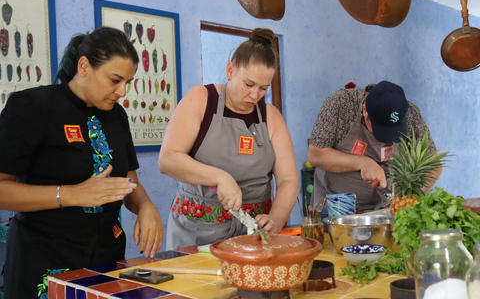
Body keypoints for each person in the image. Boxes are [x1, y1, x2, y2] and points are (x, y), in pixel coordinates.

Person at [0, 27, 163, 299]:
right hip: (45, 257)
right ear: (84, 66)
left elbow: (128, 180)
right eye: (114, 79)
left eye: (128, 82)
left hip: (106, 257)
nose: (122, 91)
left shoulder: (117, 116)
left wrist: (145, 205)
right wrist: (71, 194)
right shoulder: (31, 107)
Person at [158, 28, 299, 250]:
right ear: (230, 70)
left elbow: (288, 181)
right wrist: (219, 177)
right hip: (197, 234)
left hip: (251, 236)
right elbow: (168, 160)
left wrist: (276, 218)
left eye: (264, 88)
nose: (255, 96)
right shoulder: (201, 99)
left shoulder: (271, 117)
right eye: (249, 84)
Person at [307, 80, 443, 212]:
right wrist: (363, 163)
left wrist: (409, 201)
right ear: (365, 110)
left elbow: (434, 164)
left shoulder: (411, 114)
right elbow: (315, 155)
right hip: (335, 210)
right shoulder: (341, 104)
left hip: (383, 211)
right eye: (380, 128)